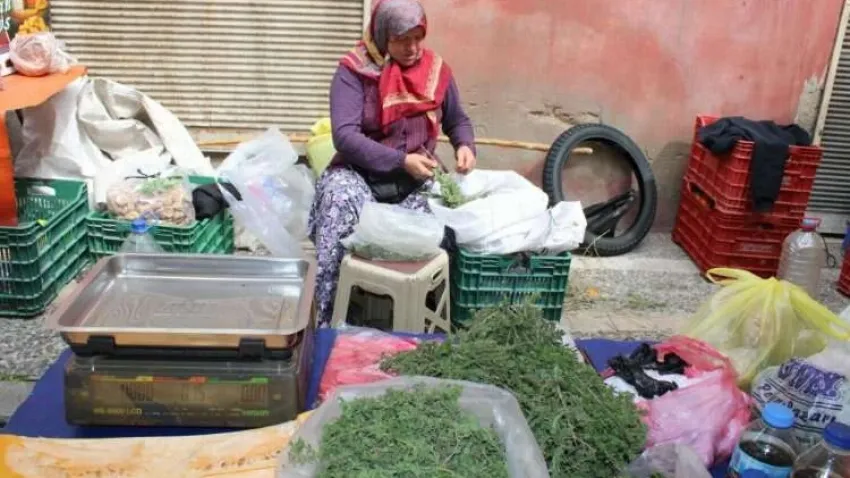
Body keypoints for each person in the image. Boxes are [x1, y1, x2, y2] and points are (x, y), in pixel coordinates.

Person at [308, 0, 477, 326]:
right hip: (360, 174)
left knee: (450, 225)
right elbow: (344, 136)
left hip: (416, 179)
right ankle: (329, 320)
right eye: (402, 39)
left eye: (418, 37)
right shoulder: (354, 71)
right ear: (383, 34)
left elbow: (457, 120)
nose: (413, 48)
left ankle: (424, 322)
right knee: (337, 200)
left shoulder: (436, 70)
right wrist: (400, 160)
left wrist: (465, 145)